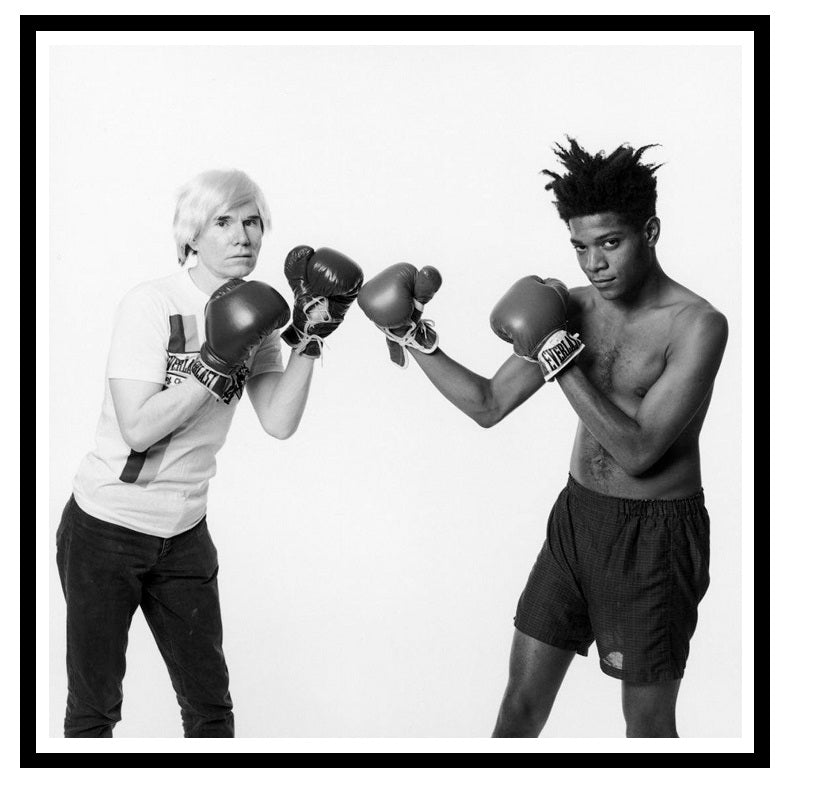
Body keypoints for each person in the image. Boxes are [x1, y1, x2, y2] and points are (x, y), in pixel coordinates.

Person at [357, 139, 728, 738]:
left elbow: (639, 451)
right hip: (576, 522)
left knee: (648, 725)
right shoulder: (571, 307)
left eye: (611, 242)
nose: (594, 264)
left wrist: (557, 356)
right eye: (580, 247)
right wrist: (412, 333)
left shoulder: (697, 325)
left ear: (650, 231)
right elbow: (488, 404)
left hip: (654, 538)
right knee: (520, 706)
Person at [56, 169, 363, 737]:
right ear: (193, 235)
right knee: (94, 712)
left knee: (211, 710)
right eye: (224, 222)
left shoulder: (262, 315)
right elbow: (137, 430)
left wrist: (309, 339)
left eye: (252, 222)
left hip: (185, 533)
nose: (243, 235)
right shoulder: (151, 304)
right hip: (106, 529)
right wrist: (215, 363)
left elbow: (278, 421)